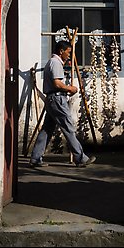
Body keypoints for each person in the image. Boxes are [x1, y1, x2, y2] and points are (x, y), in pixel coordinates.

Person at [29, 40, 96, 168]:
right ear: (61, 51)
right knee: (68, 127)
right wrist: (70, 88)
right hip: (57, 99)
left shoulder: (52, 62)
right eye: (68, 52)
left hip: (53, 99)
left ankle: (36, 158)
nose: (69, 55)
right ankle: (80, 157)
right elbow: (57, 83)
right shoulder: (56, 63)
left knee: (46, 129)